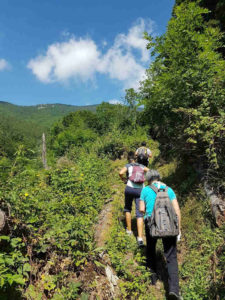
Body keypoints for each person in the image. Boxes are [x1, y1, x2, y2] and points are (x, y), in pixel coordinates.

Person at [139, 170, 182, 300]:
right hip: (169, 225)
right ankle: (174, 289)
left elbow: (141, 209)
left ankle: (153, 278)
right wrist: (179, 229)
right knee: (171, 257)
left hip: (152, 225)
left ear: (147, 179)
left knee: (151, 250)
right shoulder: (169, 189)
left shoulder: (145, 190)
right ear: (159, 177)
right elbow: (177, 210)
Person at [119, 151, 149, 247]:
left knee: (128, 208)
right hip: (140, 190)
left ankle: (129, 230)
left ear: (129, 158)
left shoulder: (128, 165)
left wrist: (123, 179)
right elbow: (150, 172)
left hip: (129, 188)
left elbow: (120, 172)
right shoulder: (141, 166)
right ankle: (140, 238)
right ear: (136, 159)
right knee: (139, 213)